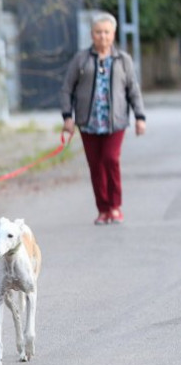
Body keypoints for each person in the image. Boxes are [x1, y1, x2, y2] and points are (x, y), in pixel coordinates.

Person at [60, 12, 146, 225]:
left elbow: (133, 90)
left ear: (113, 34)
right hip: (88, 123)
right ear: (92, 34)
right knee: (95, 166)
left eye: (106, 32)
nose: (103, 36)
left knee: (110, 159)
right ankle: (103, 209)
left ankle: (115, 206)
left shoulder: (122, 60)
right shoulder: (81, 59)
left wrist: (139, 117)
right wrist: (67, 118)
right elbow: (66, 89)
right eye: (98, 32)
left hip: (115, 122)